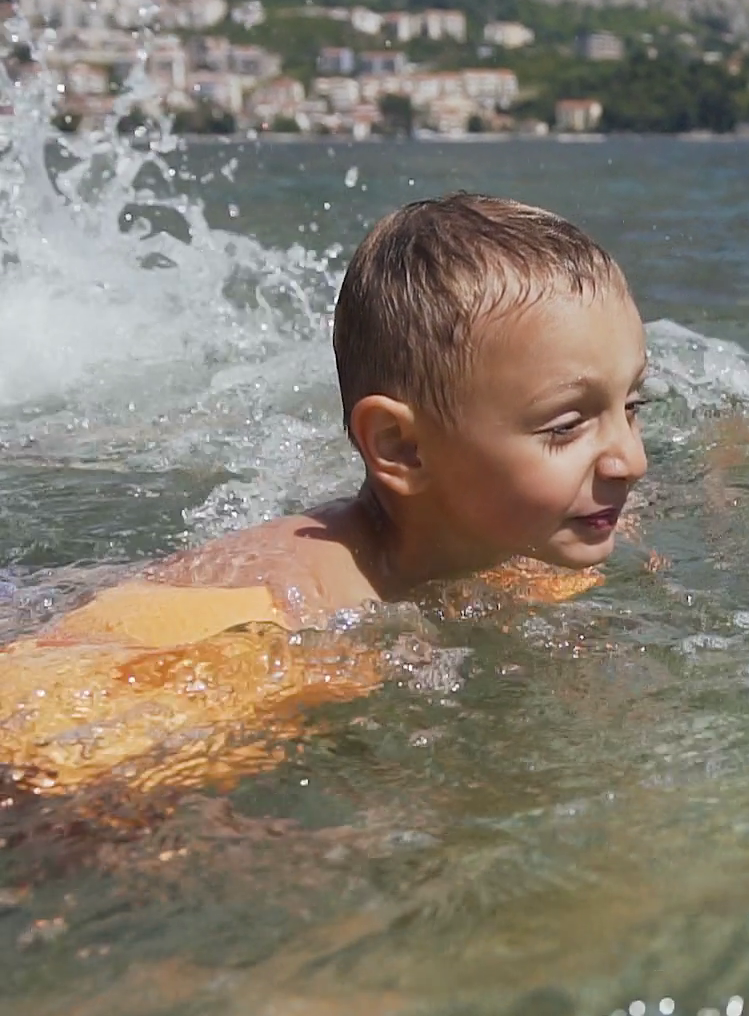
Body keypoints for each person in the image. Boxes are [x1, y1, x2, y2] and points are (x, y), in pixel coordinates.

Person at [1, 193, 651, 795]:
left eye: (632, 406)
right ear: (402, 448)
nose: (631, 461)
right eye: (567, 426)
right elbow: (43, 769)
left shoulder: (513, 538)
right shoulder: (276, 632)